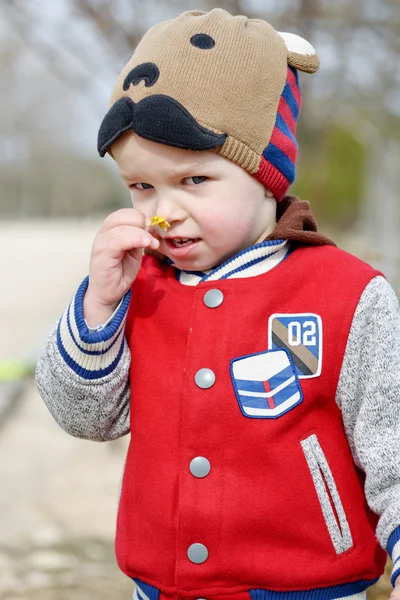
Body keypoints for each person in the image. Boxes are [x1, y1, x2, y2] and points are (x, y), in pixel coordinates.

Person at [36, 8, 400, 600]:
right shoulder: (138, 287)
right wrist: (98, 308)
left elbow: (393, 443)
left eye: (194, 181)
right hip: (160, 588)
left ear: (266, 174)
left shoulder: (346, 295)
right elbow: (86, 418)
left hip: (308, 589)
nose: (162, 211)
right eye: (141, 185)